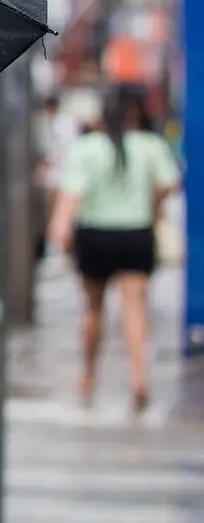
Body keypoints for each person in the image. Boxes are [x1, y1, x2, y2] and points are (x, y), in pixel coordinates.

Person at [48, 86, 180, 412]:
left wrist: (59, 228)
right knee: (134, 309)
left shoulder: (86, 148)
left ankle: (88, 374)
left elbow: (71, 195)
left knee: (93, 310)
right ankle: (139, 378)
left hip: (95, 235)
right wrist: (152, 206)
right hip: (136, 233)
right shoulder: (150, 145)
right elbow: (169, 183)